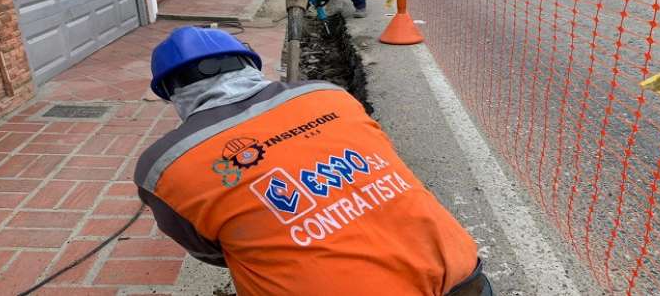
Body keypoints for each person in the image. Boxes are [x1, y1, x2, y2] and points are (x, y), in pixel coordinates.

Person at [135, 26, 493, 296]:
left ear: (171, 92)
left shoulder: (165, 165)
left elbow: (213, 252)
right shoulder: (329, 94)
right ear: (248, 63)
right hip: (461, 273)